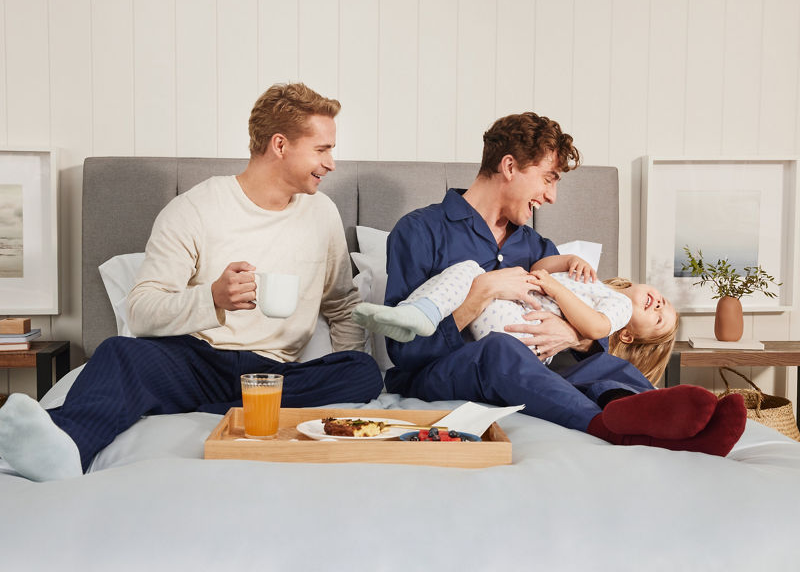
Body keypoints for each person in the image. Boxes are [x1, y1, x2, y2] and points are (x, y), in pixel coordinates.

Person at [0, 83, 384, 482]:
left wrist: (344, 380)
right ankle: (63, 448)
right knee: (119, 353)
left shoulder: (321, 213)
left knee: (362, 372)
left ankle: (214, 407)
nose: (332, 163)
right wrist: (212, 299)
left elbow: (341, 305)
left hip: (274, 378)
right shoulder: (196, 208)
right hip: (197, 360)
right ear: (280, 144)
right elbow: (141, 310)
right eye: (322, 150)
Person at [381, 111, 745, 457]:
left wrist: (574, 335)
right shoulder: (420, 231)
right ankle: (605, 428)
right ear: (510, 167)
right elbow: (404, 352)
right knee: (499, 350)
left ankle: (673, 428)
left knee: (607, 368)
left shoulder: (536, 247)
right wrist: (481, 294)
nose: (552, 196)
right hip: (438, 375)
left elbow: (586, 330)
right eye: (548, 178)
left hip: (537, 371)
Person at [353, 253, 679, 385]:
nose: (661, 305)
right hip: (515, 313)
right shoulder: (592, 282)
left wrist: (551, 285)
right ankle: (420, 313)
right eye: (665, 302)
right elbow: (540, 265)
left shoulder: (616, 308)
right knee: (469, 270)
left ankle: (427, 319)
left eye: (659, 318)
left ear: (627, 337)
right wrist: (567, 260)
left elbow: (594, 327)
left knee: (484, 286)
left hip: (525, 335)